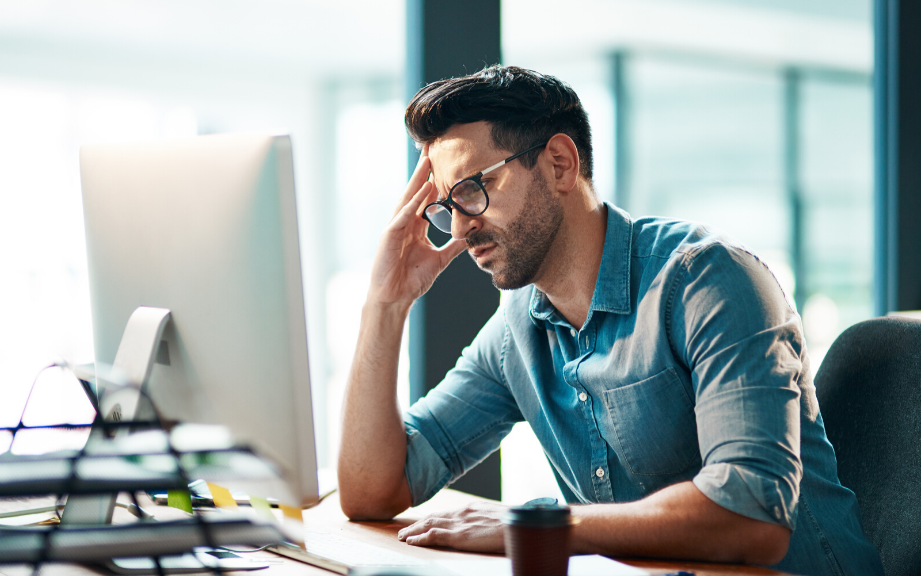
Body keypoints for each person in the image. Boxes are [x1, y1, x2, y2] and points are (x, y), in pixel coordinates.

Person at [336, 65, 882, 576]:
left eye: (473, 190)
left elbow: (751, 513)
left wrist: (533, 527)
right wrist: (386, 303)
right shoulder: (517, 332)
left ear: (559, 164)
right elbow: (374, 490)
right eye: (446, 205)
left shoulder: (708, 281)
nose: (458, 228)